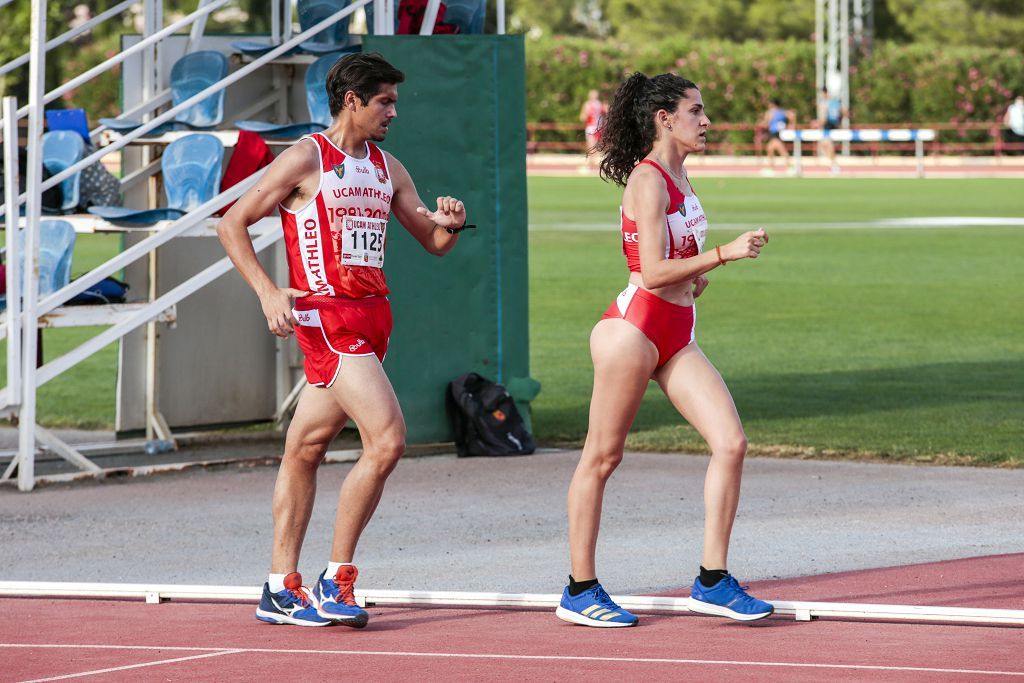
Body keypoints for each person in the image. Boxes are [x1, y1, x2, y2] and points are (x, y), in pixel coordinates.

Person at [217, 52, 471, 628]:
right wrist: (266, 291)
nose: (393, 112)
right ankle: (338, 580)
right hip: (327, 321)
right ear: (352, 100)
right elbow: (231, 224)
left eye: (396, 102)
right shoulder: (308, 158)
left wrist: (450, 224)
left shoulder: (389, 168)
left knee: (304, 449)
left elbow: (432, 242)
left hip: (374, 317)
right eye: (385, 101)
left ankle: (280, 587)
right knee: (387, 441)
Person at [555, 72, 773, 628]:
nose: (706, 121)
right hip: (633, 331)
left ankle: (713, 581)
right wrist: (724, 254)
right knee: (602, 458)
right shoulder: (649, 180)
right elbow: (649, 273)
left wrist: (696, 277)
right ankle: (579, 590)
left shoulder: (682, 175)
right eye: (696, 111)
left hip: (677, 330)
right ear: (664, 119)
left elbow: (674, 263)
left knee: (731, 442)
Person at [758, 97, 796, 171]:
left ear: (772, 104)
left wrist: (760, 123)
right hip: (779, 132)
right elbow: (792, 115)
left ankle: (789, 167)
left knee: (781, 150)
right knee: (770, 148)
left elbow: (766, 123)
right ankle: (771, 167)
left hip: (775, 133)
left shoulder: (770, 112)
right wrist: (791, 125)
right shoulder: (782, 112)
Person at [817, 86, 845, 173]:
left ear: (824, 93)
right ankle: (834, 164)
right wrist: (839, 123)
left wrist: (818, 125)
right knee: (826, 145)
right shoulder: (835, 102)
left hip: (827, 126)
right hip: (835, 125)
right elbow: (843, 112)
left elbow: (823, 117)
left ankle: (835, 165)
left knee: (826, 145)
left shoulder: (824, 103)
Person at [579, 89, 608, 169]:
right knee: (592, 145)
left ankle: (593, 164)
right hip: (593, 127)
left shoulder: (598, 105)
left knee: (594, 146)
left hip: (596, 128)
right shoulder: (588, 105)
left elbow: (607, 113)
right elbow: (582, 117)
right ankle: (591, 163)